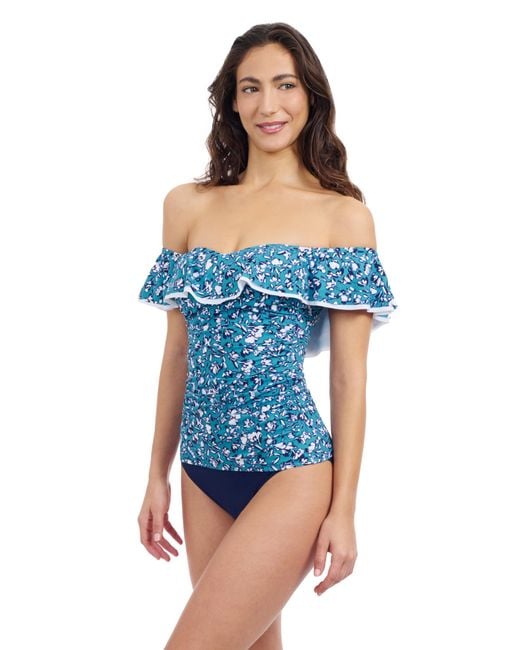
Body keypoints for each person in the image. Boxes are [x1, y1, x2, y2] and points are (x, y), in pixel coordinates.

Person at [137, 22, 398, 650]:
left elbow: (348, 377)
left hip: (292, 468)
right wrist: (156, 474)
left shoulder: (342, 217)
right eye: (250, 88)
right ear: (231, 101)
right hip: (202, 468)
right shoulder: (186, 206)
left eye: (285, 85)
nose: (268, 105)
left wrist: (344, 509)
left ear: (310, 96)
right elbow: (177, 353)